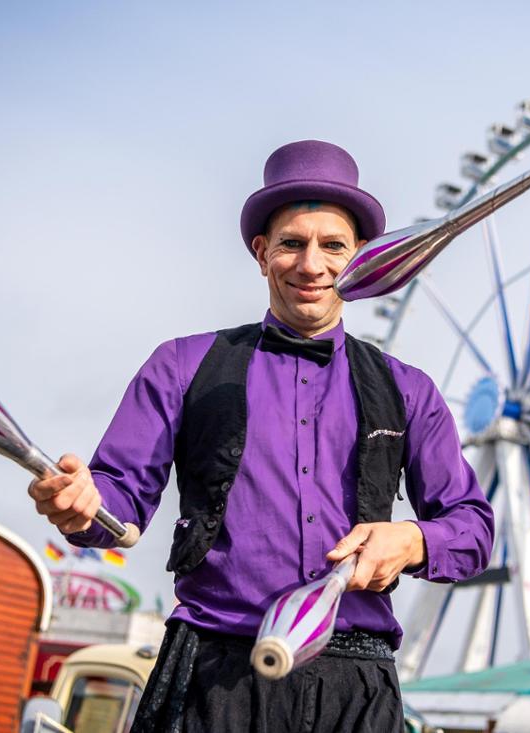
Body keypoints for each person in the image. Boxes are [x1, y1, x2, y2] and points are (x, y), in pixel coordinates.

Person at [28, 140, 494, 732]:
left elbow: (472, 527)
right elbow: (116, 501)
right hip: (214, 673)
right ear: (261, 252)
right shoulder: (181, 366)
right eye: (292, 244)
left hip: (355, 685)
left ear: (363, 259)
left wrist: (411, 540)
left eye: (333, 246)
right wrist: (82, 505)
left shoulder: (409, 390)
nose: (312, 265)